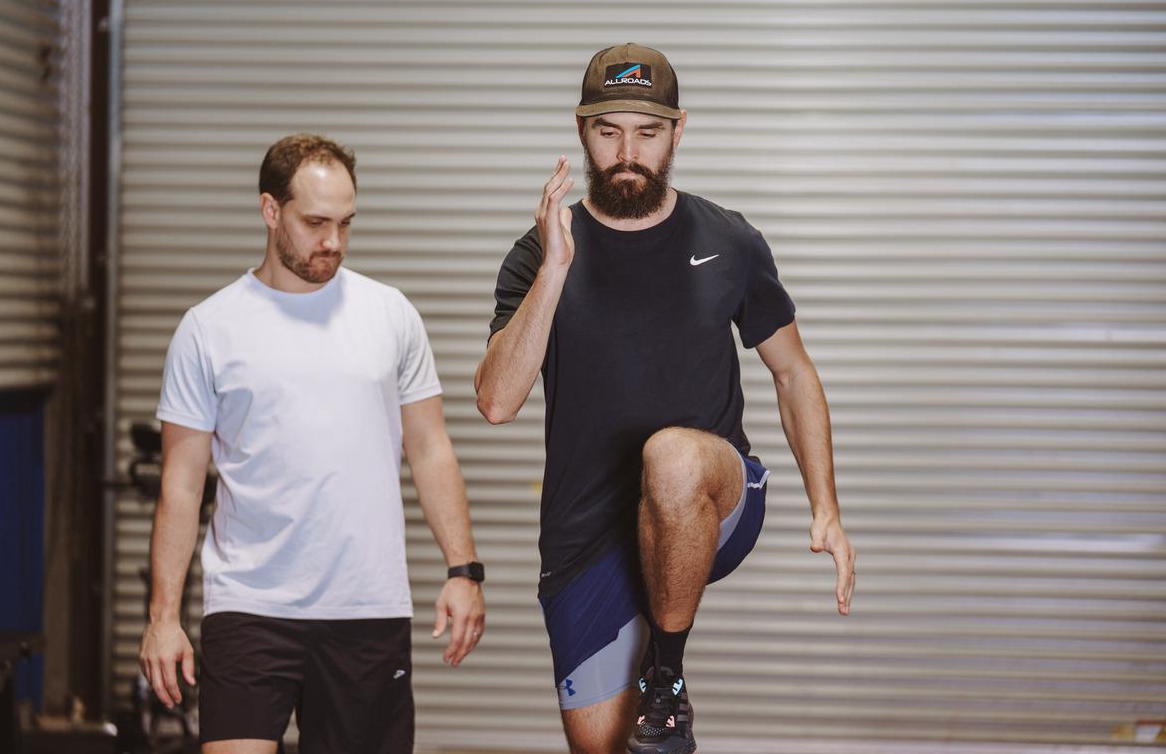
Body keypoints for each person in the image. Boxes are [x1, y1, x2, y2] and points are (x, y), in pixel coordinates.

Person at [475, 44, 855, 754]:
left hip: (714, 493)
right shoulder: (538, 252)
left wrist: (826, 508)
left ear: (678, 132)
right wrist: (555, 271)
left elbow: (794, 373)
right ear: (582, 131)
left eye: (648, 133)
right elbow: (496, 401)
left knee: (672, 457)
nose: (628, 153)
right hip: (587, 530)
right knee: (602, 746)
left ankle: (667, 679)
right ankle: (655, 699)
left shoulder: (728, 240)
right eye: (609, 131)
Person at [139, 134, 486, 754]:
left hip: (366, 607)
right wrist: (163, 618)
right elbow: (181, 484)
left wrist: (463, 571)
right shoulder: (208, 329)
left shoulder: (390, 315)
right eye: (316, 223)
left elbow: (430, 448)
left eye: (346, 223)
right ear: (270, 210)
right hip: (248, 604)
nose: (333, 241)